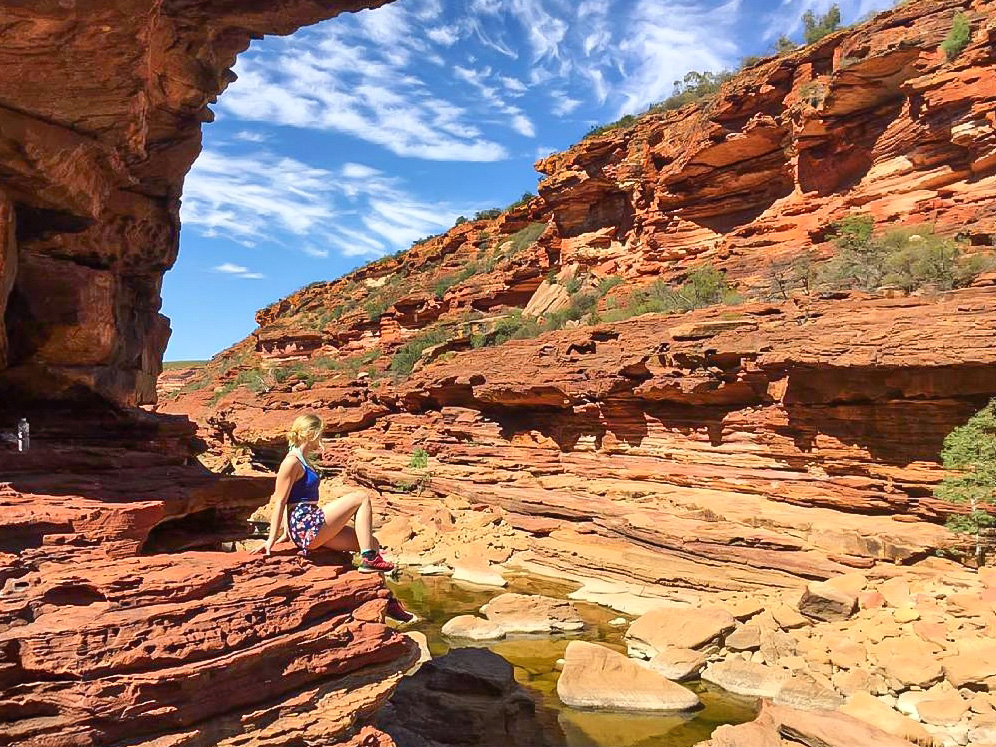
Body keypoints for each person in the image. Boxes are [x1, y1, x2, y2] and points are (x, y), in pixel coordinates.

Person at [257, 413, 413, 622]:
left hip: (308, 523)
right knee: (361, 498)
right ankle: (368, 558)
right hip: (306, 524)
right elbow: (280, 501)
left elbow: (290, 499)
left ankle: (389, 599)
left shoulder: (301, 459)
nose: (321, 438)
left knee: (372, 541)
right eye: (320, 433)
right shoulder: (291, 462)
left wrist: (287, 532)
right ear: (311, 433)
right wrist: (272, 538)